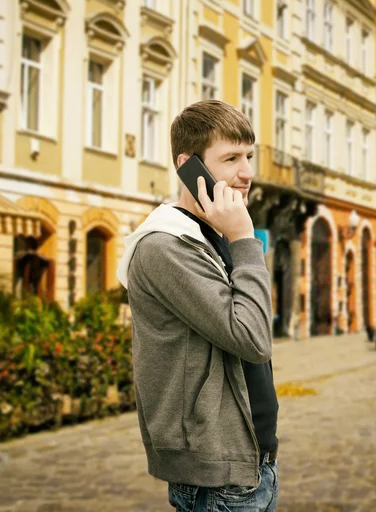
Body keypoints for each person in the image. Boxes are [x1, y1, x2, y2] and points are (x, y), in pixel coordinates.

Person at [117, 100, 279, 511]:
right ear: (189, 166)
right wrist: (246, 239)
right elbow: (253, 337)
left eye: (248, 156)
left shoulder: (211, 234)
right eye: (230, 159)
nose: (246, 173)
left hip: (250, 463)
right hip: (216, 477)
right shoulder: (165, 246)